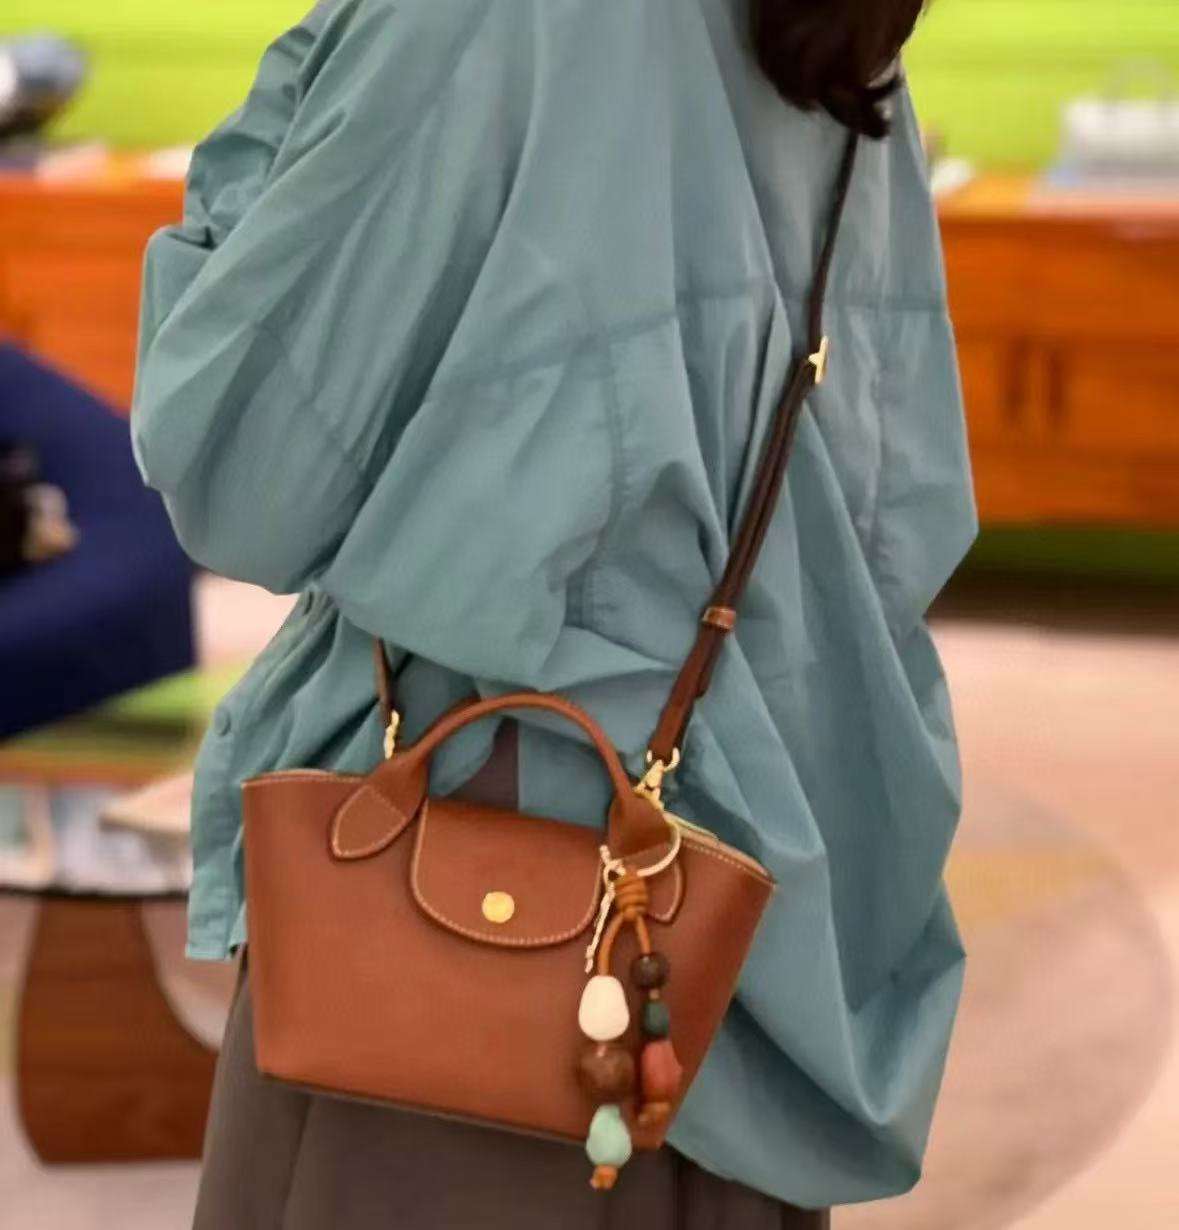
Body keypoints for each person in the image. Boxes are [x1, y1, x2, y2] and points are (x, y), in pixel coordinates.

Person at [132, 1, 974, 1226]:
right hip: (741, 903)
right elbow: (899, 510)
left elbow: (238, 467)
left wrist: (307, 76)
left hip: (476, 914)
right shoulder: (838, 39)